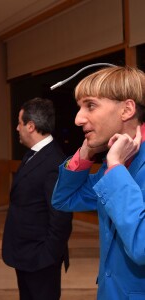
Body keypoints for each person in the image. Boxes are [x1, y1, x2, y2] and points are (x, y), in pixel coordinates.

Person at [51, 65, 145, 300]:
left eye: (90, 105)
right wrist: (86, 152)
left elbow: (141, 246)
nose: (78, 119)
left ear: (127, 109)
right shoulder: (119, 160)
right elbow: (64, 199)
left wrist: (114, 167)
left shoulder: (116, 164)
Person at [2, 98, 73, 300]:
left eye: (19, 123)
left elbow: (61, 218)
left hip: (40, 259)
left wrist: (47, 257)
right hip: (26, 255)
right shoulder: (33, 154)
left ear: (31, 126)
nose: (17, 128)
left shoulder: (54, 162)